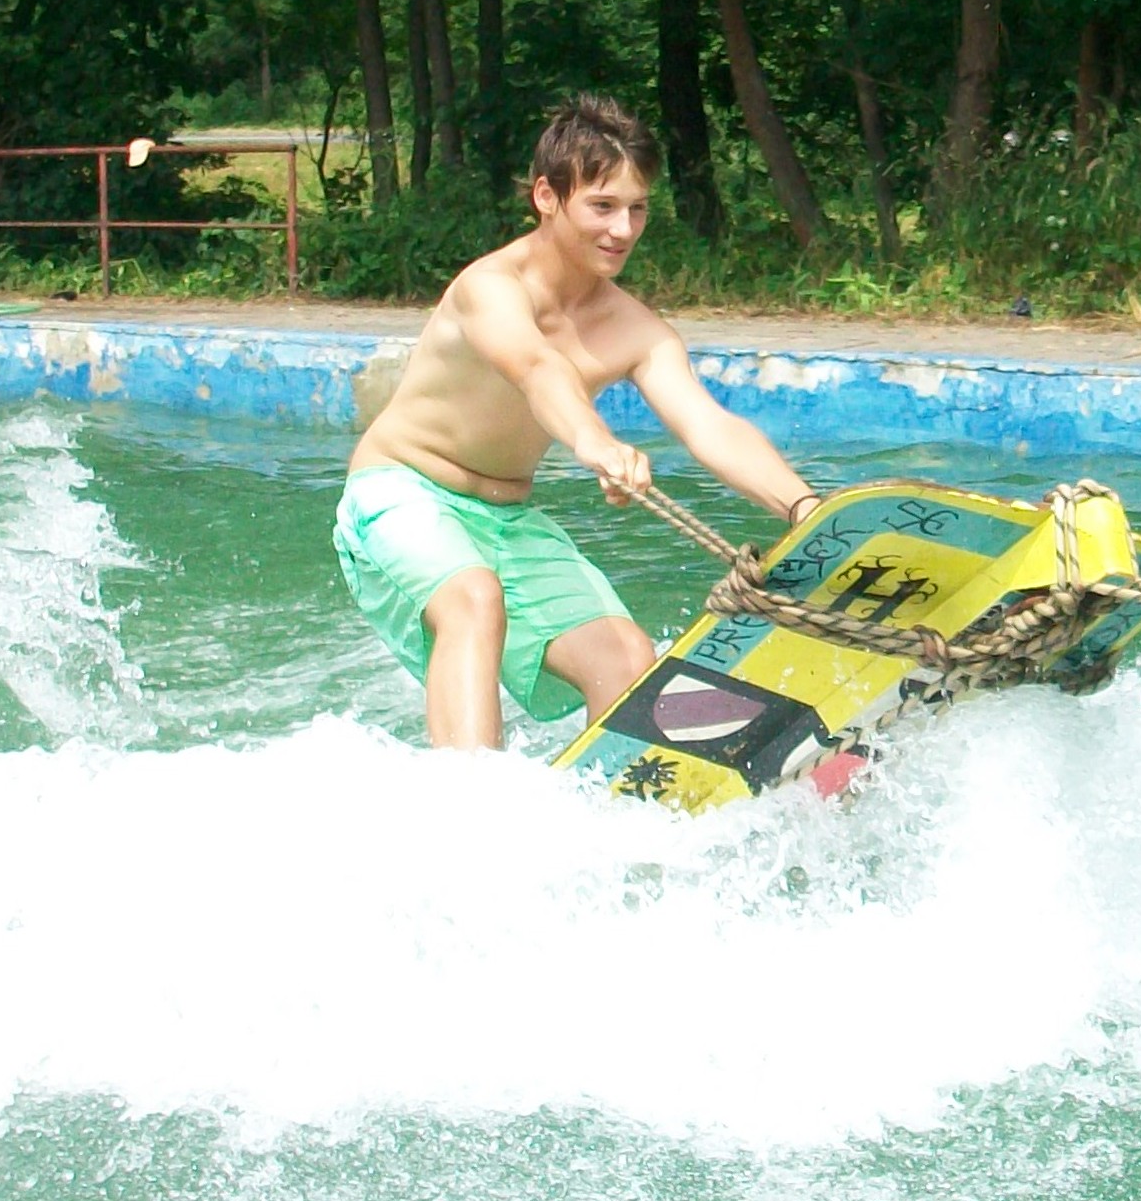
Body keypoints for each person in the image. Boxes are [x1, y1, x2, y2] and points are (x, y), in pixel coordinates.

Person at [333, 95, 819, 749]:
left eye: (637, 208)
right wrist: (595, 442)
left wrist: (806, 509)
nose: (623, 229)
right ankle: (471, 799)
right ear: (546, 196)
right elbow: (537, 367)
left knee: (626, 656)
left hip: (506, 517)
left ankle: (610, 800)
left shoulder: (635, 328)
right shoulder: (490, 287)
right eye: (602, 206)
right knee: (473, 598)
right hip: (399, 490)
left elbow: (709, 425)